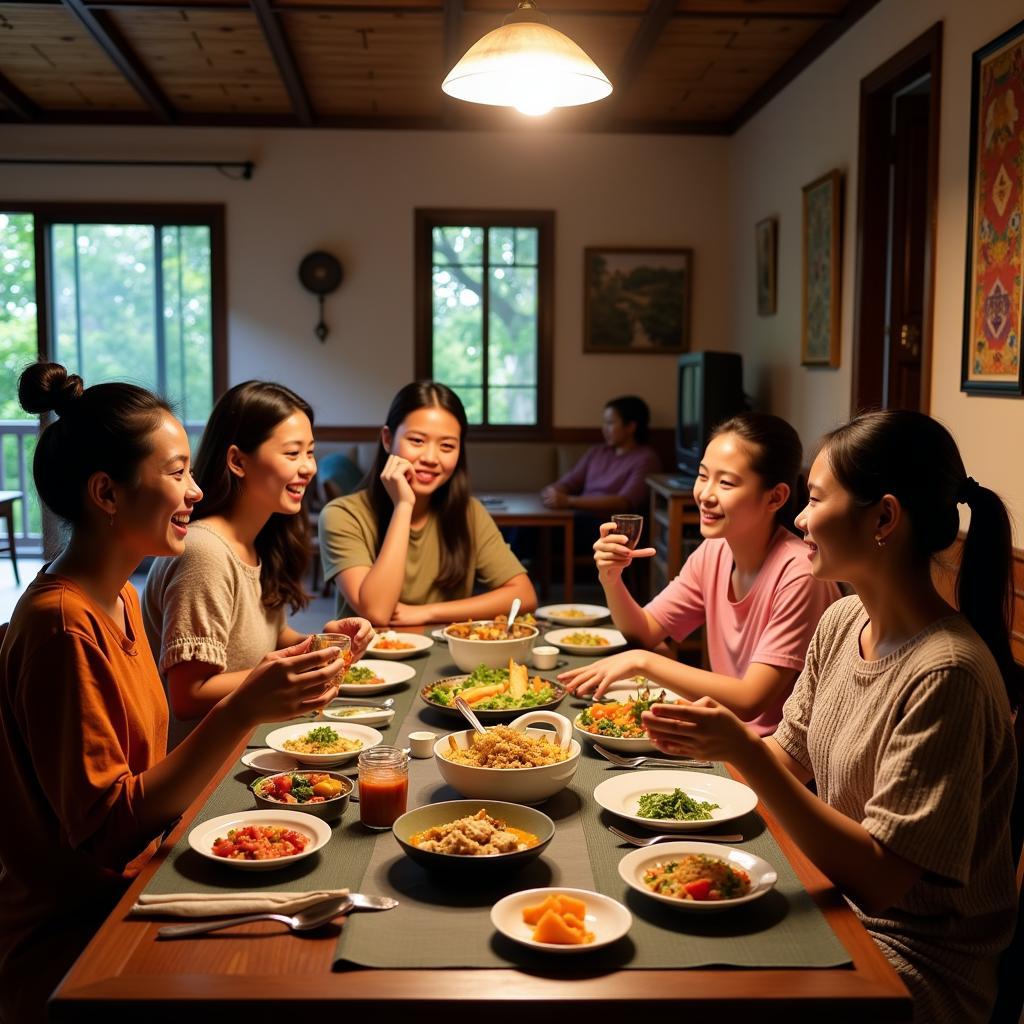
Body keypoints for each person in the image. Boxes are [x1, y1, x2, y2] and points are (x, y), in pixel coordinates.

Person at [641, 410, 1019, 1024]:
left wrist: (737, 747)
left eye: (814, 499)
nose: (799, 519)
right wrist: (694, 757)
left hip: (910, 962)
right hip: (828, 899)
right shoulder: (843, 624)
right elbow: (785, 758)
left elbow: (881, 881)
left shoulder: (947, 673)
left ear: (884, 518)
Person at [0, 364, 346, 1024]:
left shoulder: (120, 598)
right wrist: (242, 707)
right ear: (106, 492)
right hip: (80, 941)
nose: (194, 491)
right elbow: (105, 835)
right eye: (177, 472)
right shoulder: (63, 624)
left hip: (149, 879)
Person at [560, 412, 840, 735]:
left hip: (770, 755)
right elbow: (645, 631)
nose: (705, 494)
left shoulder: (800, 574)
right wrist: (610, 578)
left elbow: (751, 699)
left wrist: (643, 662)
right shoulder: (715, 551)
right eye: (703, 476)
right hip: (721, 734)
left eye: (726, 483)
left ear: (775, 497)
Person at [143, 381, 372, 741]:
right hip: (201, 761)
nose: (308, 467)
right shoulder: (206, 553)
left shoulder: (259, 539)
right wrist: (291, 670)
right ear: (237, 460)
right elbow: (188, 697)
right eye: (292, 453)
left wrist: (323, 644)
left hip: (250, 737)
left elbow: (272, 638)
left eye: (310, 452)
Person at [319, 381, 536, 626]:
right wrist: (403, 506)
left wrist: (427, 612)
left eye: (447, 446)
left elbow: (524, 595)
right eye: (417, 441)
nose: (431, 458)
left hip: (449, 659)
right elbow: (377, 613)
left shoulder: (468, 513)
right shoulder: (343, 515)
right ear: (388, 439)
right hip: (371, 661)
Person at [540, 395, 661, 514]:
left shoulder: (646, 459)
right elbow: (570, 482)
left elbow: (623, 503)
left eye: (610, 423)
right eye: (604, 423)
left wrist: (568, 501)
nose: (604, 429)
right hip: (580, 514)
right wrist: (553, 493)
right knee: (531, 525)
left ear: (630, 427)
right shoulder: (597, 451)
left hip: (608, 524)